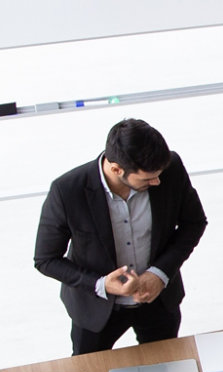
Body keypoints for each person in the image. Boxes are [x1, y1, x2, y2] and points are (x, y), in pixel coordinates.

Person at [33, 118, 209, 355]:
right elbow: (45, 259)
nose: (157, 181)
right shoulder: (67, 191)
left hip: (158, 301)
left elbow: (194, 223)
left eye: (158, 175)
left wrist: (159, 273)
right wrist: (100, 284)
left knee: (165, 369)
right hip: (96, 310)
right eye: (147, 179)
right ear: (116, 169)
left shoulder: (170, 168)